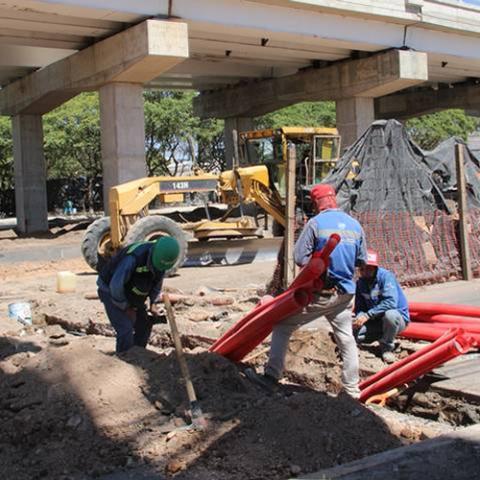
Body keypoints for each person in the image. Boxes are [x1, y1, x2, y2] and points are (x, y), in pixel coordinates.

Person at [256, 184, 367, 397]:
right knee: (346, 338)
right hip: (344, 294)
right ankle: (352, 390)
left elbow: (299, 258)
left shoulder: (316, 224)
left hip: (319, 292)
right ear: (334, 199)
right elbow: (361, 260)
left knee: (282, 325)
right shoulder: (355, 225)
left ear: (316, 203)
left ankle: (271, 376)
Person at [97, 236, 180, 352]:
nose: (159, 269)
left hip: (131, 290)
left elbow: (157, 282)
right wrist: (126, 308)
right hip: (110, 289)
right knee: (125, 328)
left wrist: (153, 303)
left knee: (144, 324)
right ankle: (124, 359)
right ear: (154, 252)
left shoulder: (161, 261)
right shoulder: (133, 258)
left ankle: (138, 355)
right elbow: (116, 286)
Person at [353, 249, 409, 364]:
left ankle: (387, 348)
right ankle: (384, 335)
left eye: (368, 268)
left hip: (397, 320)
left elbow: (391, 302)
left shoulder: (386, 277)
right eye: (362, 268)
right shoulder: (360, 283)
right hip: (376, 321)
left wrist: (368, 315)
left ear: (375, 267)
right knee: (354, 334)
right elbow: (359, 307)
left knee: (390, 315)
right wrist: (360, 317)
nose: (364, 271)